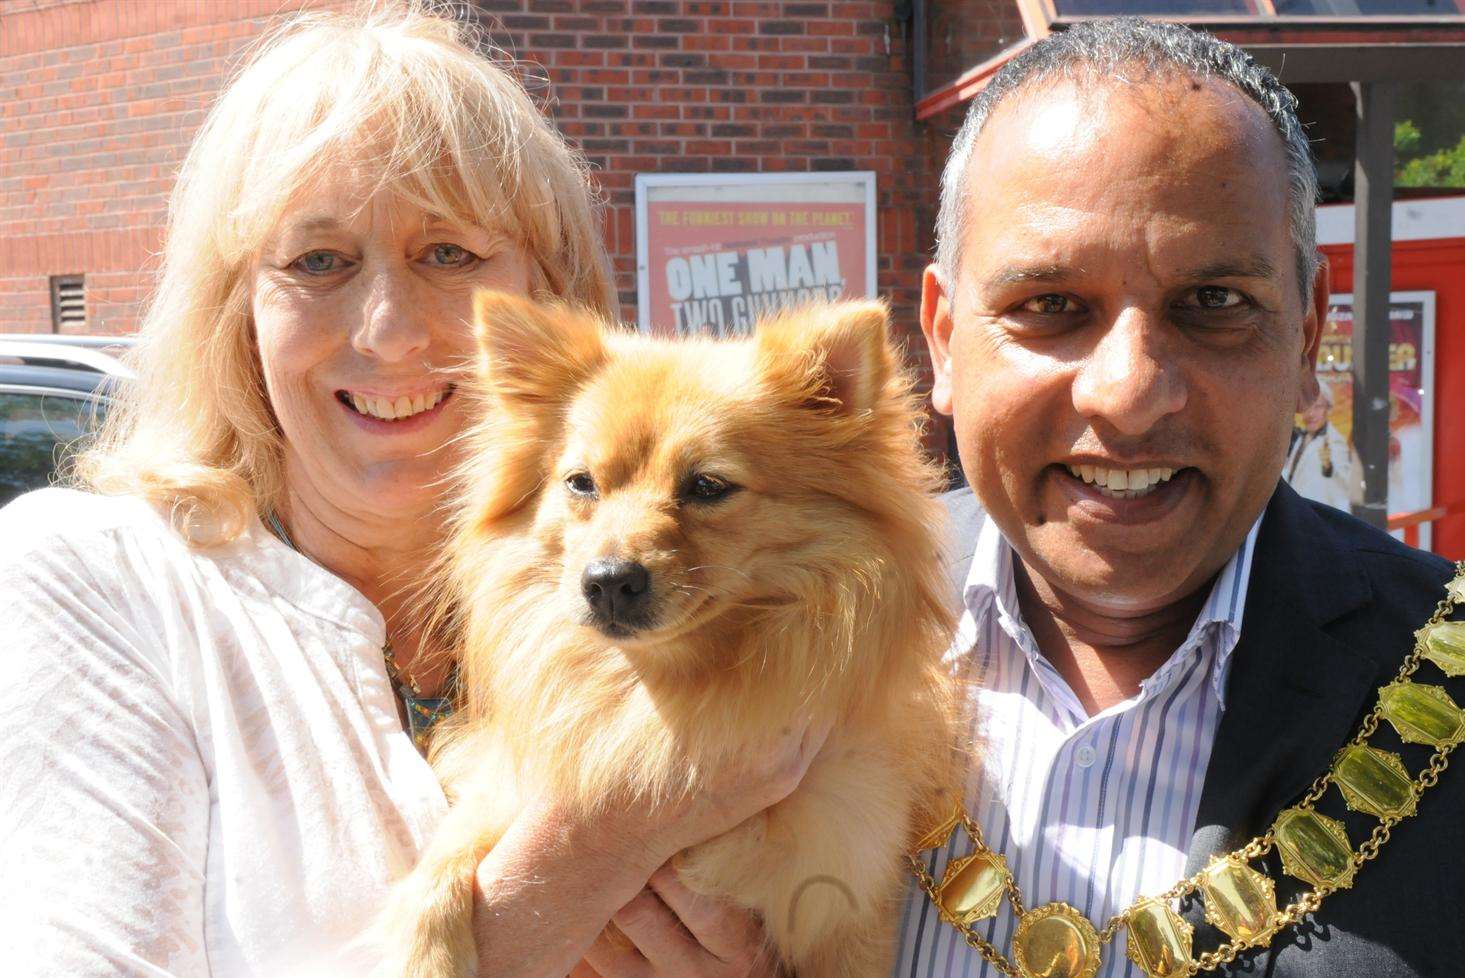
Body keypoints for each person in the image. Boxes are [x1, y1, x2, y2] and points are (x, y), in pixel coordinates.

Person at [0, 6, 807, 977]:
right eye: (318, 262)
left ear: (552, 299)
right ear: (236, 314)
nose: (388, 332)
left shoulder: (687, 596)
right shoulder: (101, 581)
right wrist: (575, 863)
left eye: (448, 254)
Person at [904, 18, 1461, 978]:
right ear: (944, 339)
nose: (1125, 394)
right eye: (1049, 306)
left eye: (1211, 305)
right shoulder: (767, 629)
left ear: (1305, 341)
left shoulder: (1443, 679)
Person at [1284, 388, 1352, 511]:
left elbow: (1344, 482)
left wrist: (1328, 468)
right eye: (1307, 407)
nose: (1311, 414)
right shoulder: (1302, 438)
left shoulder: (1334, 442)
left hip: (1319, 517)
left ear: (1328, 409)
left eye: (1318, 407)